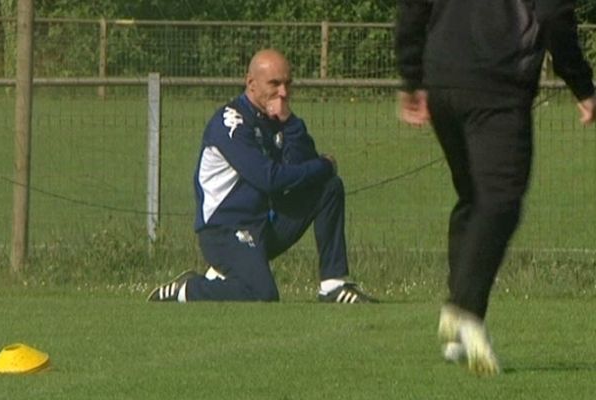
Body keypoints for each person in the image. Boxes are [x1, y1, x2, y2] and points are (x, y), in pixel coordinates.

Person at [396, 0, 596, 375]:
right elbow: (552, 14)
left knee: (474, 198)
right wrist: (582, 85)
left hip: (443, 81)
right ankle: (465, 309)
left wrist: (412, 76)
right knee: (501, 200)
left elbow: (413, 7)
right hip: (498, 84)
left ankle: (458, 332)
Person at [148, 49, 377, 304]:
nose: (284, 92)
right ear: (251, 84)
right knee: (262, 294)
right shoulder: (230, 123)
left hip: (264, 225)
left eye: (288, 84)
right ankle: (189, 289)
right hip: (226, 229)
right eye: (275, 84)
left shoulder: (275, 118)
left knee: (328, 187)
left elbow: (304, 163)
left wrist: (289, 122)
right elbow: (270, 179)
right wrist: (325, 165)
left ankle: (333, 285)